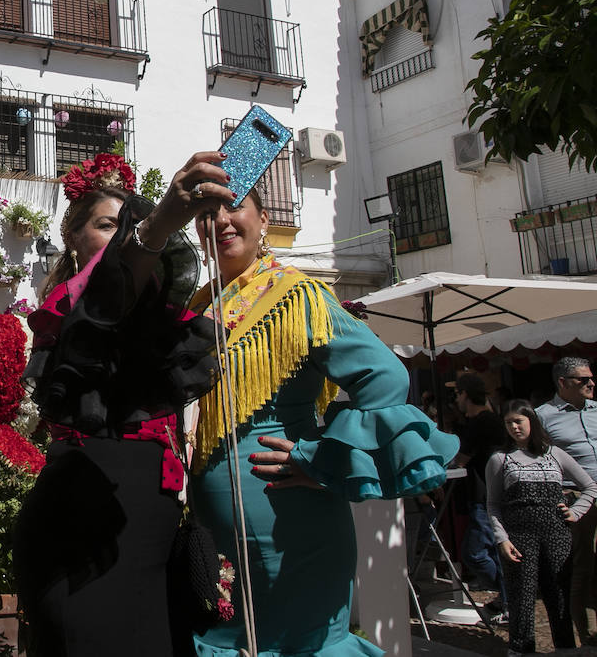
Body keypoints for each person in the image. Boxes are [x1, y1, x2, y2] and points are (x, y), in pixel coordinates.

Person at [180, 150, 459, 657]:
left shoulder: (297, 295)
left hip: (293, 522)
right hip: (215, 530)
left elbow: (385, 376)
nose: (220, 219)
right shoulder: (199, 306)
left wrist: (324, 461)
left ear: (264, 219)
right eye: (206, 213)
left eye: (234, 204)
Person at [15, 153, 219, 657]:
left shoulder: (155, 317)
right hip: (87, 528)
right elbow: (110, 294)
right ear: (74, 239)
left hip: (148, 528)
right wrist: (158, 224)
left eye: (128, 225)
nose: (122, 234)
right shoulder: (73, 309)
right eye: (108, 225)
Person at [536, 356, 597, 647]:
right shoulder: (543, 415)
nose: (591, 383)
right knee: (582, 573)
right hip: (576, 498)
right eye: (583, 379)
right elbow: (537, 461)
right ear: (563, 383)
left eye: (591, 377)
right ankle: (590, 645)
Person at [487, 399, 597, 657]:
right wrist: (501, 538)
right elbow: (492, 503)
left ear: (532, 422)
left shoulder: (554, 454)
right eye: (508, 423)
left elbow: (590, 486)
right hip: (519, 534)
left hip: (556, 533)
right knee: (522, 597)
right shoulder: (500, 459)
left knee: (559, 595)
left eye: (519, 421)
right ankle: (521, 650)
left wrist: (575, 512)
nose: (514, 427)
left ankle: (565, 650)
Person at [450, 372, 508, 613]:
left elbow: (461, 459)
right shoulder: (489, 421)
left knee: (474, 552)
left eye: (457, 394)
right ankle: (508, 594)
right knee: (489, 548)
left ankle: (511, 591)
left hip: (484, 495)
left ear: (465, 394)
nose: (456, 400)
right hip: (486, 493)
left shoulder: (482, 423)